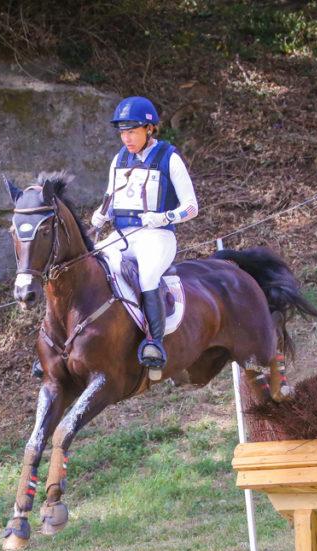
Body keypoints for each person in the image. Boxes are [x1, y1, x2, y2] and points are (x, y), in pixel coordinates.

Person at [91, 96, 199, 371]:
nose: (126, 138)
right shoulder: (120, 158)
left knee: (148, 275)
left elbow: (191, 207)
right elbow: (110, 195)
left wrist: (164, 217)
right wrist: (101, 215)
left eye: (132, 131)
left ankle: (155, 342)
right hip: (124, 234)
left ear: (149, 129)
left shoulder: (169, 157)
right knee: (91, 263)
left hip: (157, 235)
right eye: (122, 132)